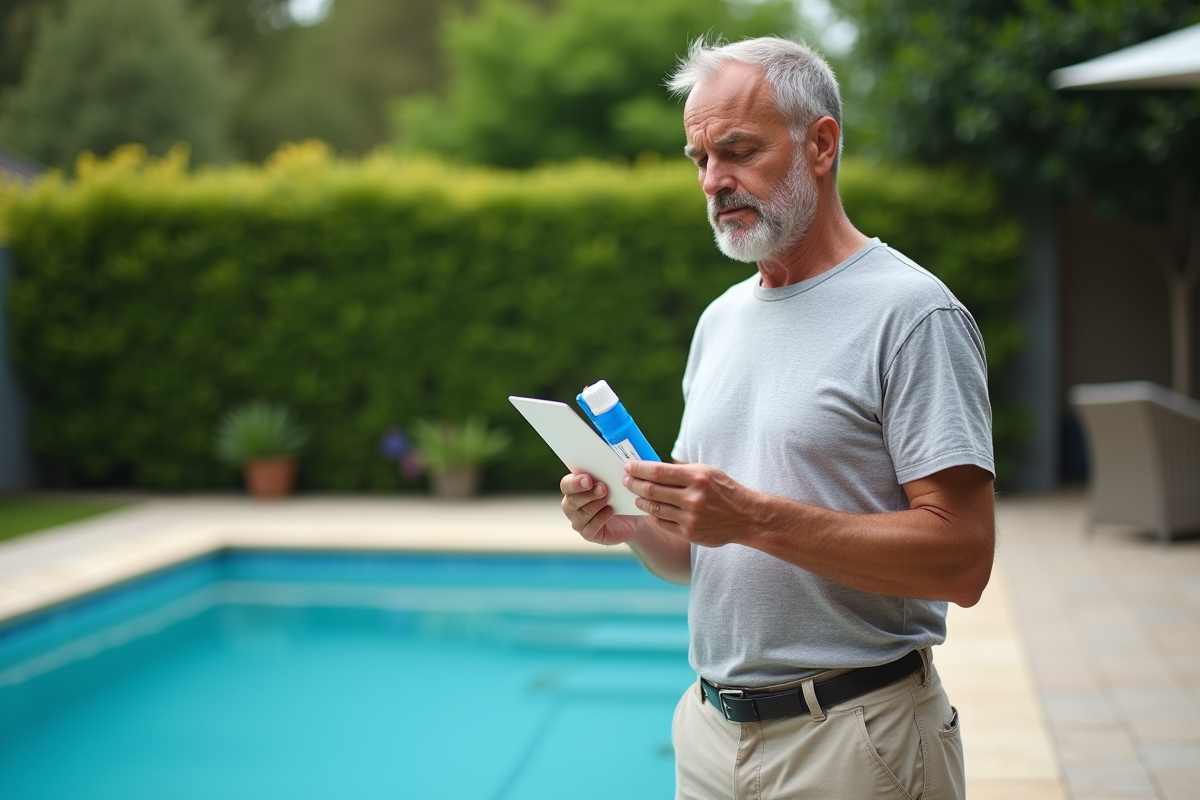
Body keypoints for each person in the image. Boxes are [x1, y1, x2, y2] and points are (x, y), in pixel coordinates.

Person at [560, 36, 995, 800]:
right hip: (709, 736)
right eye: (698, 160)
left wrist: (753, 517)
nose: (713, 182)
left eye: (737, 151)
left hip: (856, 741)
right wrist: (632, 526)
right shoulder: (720, 320)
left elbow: (964, 559)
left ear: (820, 143)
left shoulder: (913, 313)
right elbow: (701, 556)